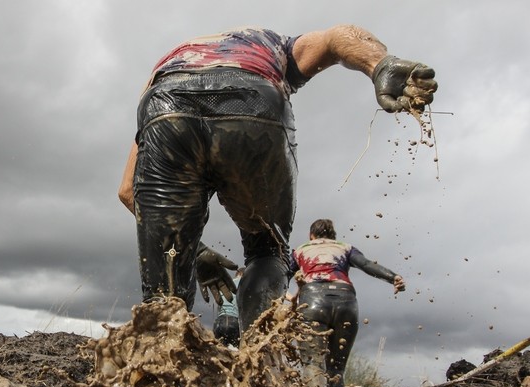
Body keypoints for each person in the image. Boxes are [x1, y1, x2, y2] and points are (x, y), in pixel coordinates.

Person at [117, 24, 436, 338]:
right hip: (254, 101)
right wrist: (378, 64)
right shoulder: (270, 43)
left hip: (167, 106)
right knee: (266, 252)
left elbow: (129, 191)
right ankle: (260, 365)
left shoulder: (167, 65)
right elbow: (339, 37)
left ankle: (160, 371)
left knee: (165, 300)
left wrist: (195, 252)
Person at [286, 219, 406, 387]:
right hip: (346, 302)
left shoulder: (300, 249)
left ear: (312, 236)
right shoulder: (345, 247)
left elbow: (283, 274)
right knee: (337, 369)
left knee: (313, 365)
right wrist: (393, 277)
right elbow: (366, 265)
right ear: (333, 235)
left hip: (312, 301)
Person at [213, 267, 245, 347]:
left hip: (219, 322)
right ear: (243, 275)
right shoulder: (244, 284)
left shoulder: (225, 285)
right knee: (240, 356)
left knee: (219, 353)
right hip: (233, 322)